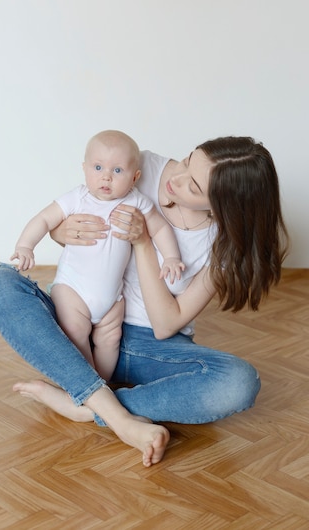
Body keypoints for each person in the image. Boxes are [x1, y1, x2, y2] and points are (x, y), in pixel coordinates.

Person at [0, 135, 289, 467]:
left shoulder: (226, 247)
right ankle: (115, 414)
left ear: (221, 207)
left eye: (194, 187)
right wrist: (59, 232)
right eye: (187, 161)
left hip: (148, 345)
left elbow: (165, 325)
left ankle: (87, 405)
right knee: (0, 285)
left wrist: (144, 243)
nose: (176, 179)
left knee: (240, 382)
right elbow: (76, 210)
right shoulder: (142, 166)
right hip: (79, 322)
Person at [10, 130, 184, 381]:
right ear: (84, 168)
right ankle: (86, 384)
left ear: (135, 177)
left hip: (112, 298)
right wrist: (26, 245)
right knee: (75, 332)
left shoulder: (137, 202)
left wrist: (170, 257)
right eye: (98, 167)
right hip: (73, 289)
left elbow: (159, 228)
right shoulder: (78, 198)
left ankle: (101, 385)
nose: (106, 176)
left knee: (110, 339)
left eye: (117, 171)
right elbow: (44, 218)